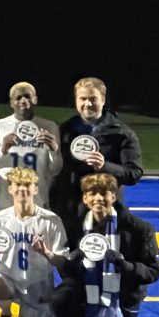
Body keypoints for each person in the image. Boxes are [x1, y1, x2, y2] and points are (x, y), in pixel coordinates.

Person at [45, 173, 159, 317]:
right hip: (87, 287)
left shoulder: (139, 229)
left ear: (114, 197)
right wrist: (73, 260)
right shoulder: (76, 227)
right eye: (92, 193)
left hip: (123, 293)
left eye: (104, 193)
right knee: (60, 298)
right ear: (85, 198)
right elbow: (70, 271)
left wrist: (127, 266)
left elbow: (154, 271)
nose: (98, 198)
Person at [0, 167, 67, 317]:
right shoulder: (0, 219)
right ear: (10, 189)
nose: (22, 189)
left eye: (28, 185)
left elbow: (64, 262)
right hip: (9, 280)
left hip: (38, 284)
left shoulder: (51, 220)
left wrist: (46, 253)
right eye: (17, 185)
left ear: (36, 189)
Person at [50, 77, 144, 241]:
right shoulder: (63, 131)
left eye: (93, 99)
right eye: (82, 99)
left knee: (105, 261)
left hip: (104, 211)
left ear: (103, 100)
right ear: (76, 100)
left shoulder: (122, 133)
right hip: (70, 210)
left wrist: (105, 166)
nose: (87, 104)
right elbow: (54, 171)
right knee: (71, 262)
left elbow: (133, 174)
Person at [0, 81, 62, 211]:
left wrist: (53, 150)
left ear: (35, 99)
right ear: (11, 102)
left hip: (37, 201)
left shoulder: (49, 127)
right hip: (4, 202)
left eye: (27, 96)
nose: (23, 101)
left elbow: (55, 169)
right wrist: (2, 151)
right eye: (18, 98)